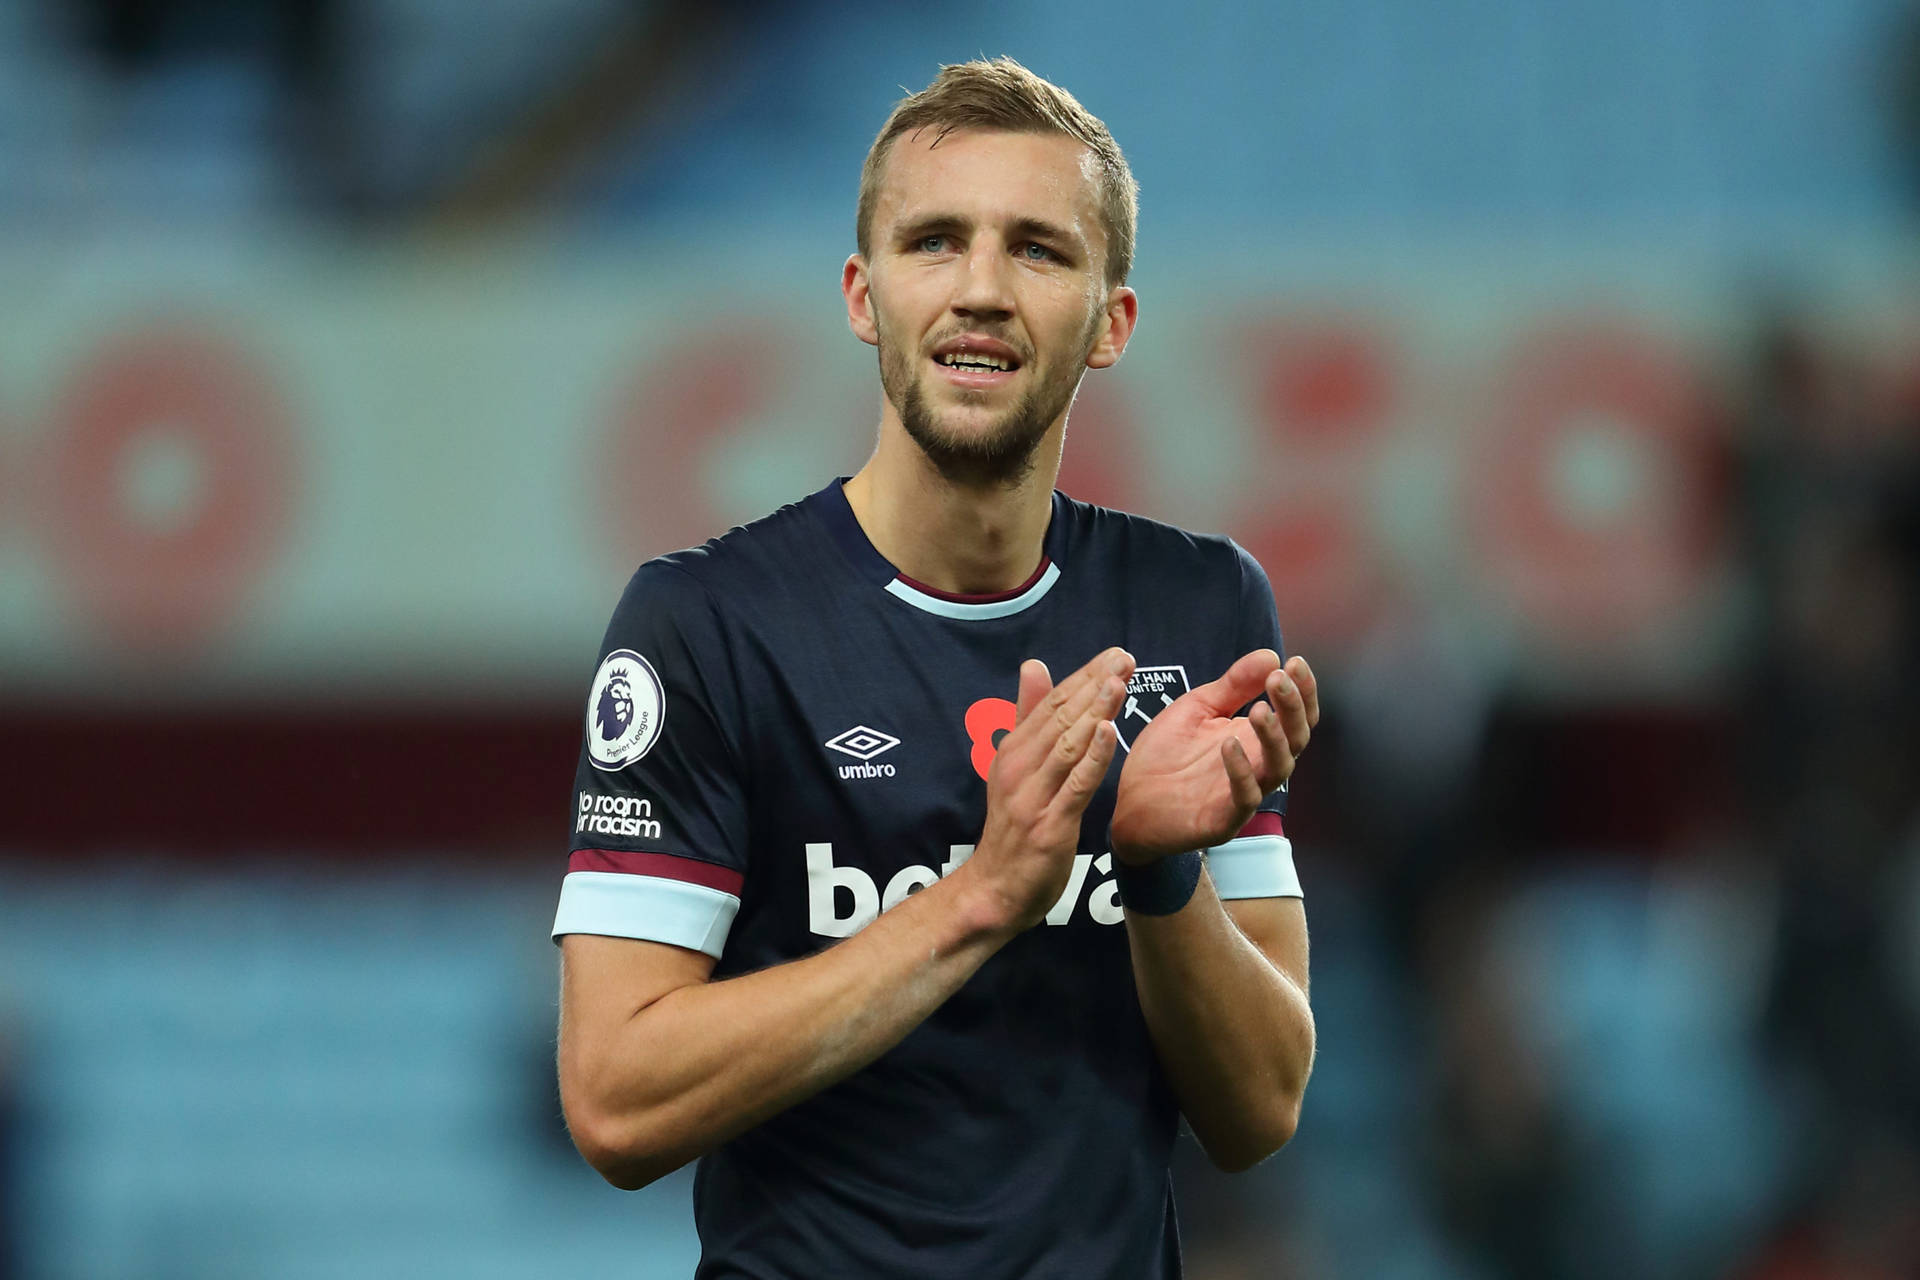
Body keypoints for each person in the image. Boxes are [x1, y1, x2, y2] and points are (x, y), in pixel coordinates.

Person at [552, 56, 1320, 1279]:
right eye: (934, 242)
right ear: (865, 297)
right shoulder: (708, 624)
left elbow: (1260, 1107)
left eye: (1039, 249)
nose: (981, 289)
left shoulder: (1199, 607)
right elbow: (614, 1100)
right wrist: (979, 896)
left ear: (1111, 320)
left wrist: (1159, 870)